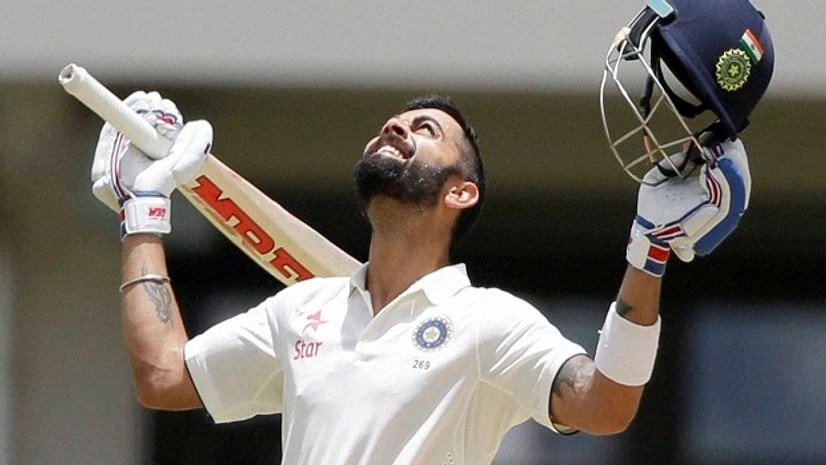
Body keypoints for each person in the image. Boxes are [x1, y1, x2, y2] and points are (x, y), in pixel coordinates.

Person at [88, 1, 773, 463]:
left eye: (425, 130)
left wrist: (647, 255)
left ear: (460, 192)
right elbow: (165, 376)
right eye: (393, 121)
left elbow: (606, 405)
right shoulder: (303, 312)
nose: (395, 127)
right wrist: (142, 213)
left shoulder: (488, 325)